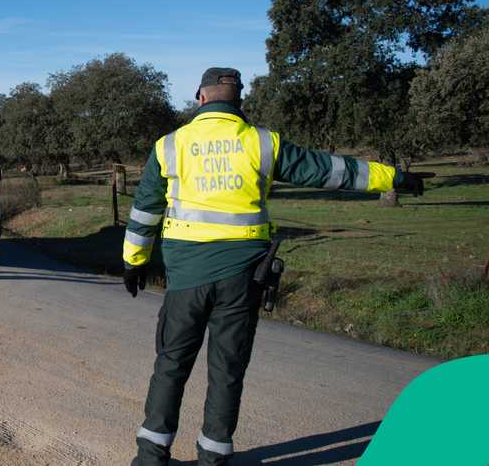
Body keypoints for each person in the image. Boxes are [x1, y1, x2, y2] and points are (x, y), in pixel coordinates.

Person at [122, 68, 426, 466]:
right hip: (242, 276)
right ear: (238, 100)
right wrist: (395, 177)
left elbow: (145, 209)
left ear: (200, 98)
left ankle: (150, 457)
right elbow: (330, 171)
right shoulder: (263, 143)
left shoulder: (169, 146)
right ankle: (214, 458)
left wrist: (134, 261)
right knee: (227, 369)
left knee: (171, 363)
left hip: (185, 278)